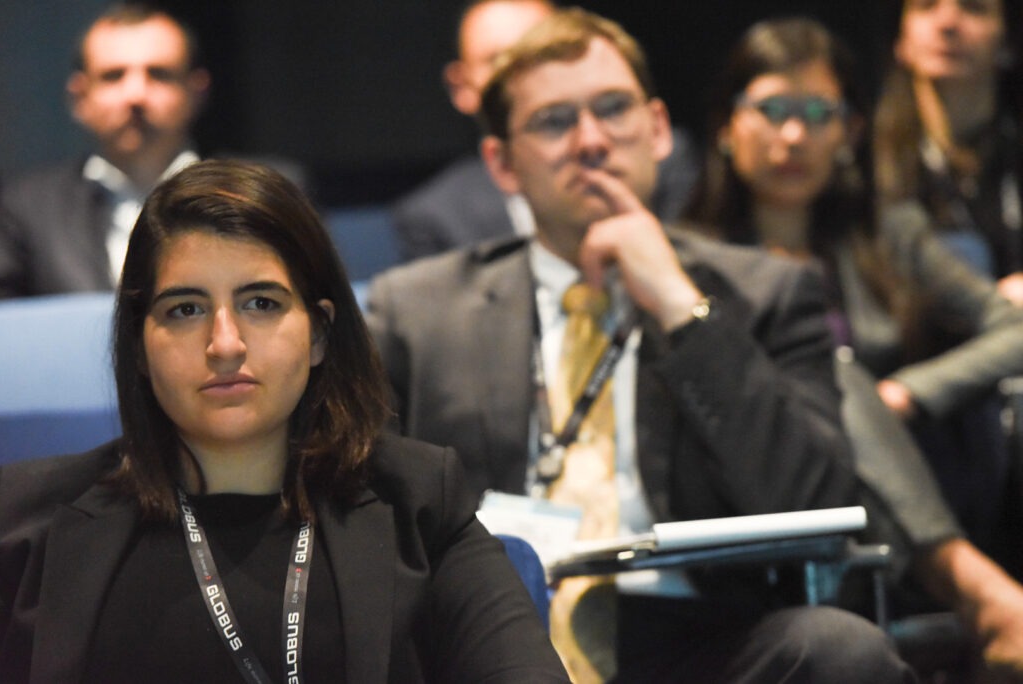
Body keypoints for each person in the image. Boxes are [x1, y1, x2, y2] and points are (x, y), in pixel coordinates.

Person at [368, 9, 912, 682]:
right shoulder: (417, 312)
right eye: (554, 121)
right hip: (491, 635)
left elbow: (811, 505)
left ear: (657, 128)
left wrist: (683, 308)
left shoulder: (767, 294)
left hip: (693, 639)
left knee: (840, 651)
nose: (591, 140)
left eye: (613, 108)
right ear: (501, 163)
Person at [0, 160, 569, 683]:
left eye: (261, 304)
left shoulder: (419, 503)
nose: (225, 344)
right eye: (186, 310)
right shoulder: (26, 523)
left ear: (319, 333)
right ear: (141, 346)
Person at [686, 16, 1023, 679]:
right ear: (728, 125)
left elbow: (1013, 330)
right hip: (773, 498)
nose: (793, 135)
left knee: (846, 379)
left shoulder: (886, 233)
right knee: (827, 372)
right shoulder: (687, 259)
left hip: (923, 487)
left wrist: (908, 392)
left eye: (818, 113)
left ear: (851, 131)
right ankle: (985, 598)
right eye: (771, 111)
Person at [389, 0, 700, 263]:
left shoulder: (670, 168)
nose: (589, 142)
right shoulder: (433, 217)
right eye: (500, 60)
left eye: (545, 49)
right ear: (503, 164)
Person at [0, 2, 209, 299]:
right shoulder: (25, 209)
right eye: (113, 76)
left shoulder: (262, 193)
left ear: (195, 92)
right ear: (79, 98)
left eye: (159, 74)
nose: (135, 94)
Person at [874, 0, 1023, 304]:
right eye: (926, 6)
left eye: (974, 8)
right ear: (901, 40)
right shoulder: (864, 158)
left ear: (1007, 40)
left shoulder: (1012, 153)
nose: (947, 24)